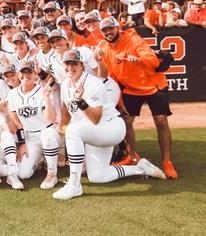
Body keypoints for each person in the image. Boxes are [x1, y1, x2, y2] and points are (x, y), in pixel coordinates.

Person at [52, 49, 166, 200]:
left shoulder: (93, 83)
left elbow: (96, 119)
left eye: (74, 64)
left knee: (73, 130)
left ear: (81, 65)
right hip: (94, 131)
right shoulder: (66, 83)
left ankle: (74, 185)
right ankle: (139, 169)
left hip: (110, 128)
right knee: (98, 176)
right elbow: (66, 106)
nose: (70, 67)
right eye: (67, 64)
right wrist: (63, 124)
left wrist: (81, 102)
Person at [98, 17, 178, 179]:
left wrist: (138, 60)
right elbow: (111, 77)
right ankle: (132, 156)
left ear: (117, 28)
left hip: (154, 85)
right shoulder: (105, 49)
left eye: (110, 29)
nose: (108, 32)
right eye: (104, 30)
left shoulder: (134, 39)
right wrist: (119, 101)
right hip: (131, 89)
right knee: (125, 120)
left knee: (161, 121)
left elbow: (153, 61)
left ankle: (167, 161)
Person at [6, 60, 61, 189]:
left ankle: (52, 174)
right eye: (23, 72)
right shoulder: (13, 94)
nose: (26, 75)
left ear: (35, 74)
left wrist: (47, 98)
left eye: (29, 72)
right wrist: (22, 143)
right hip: (30, 137)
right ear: (18, 75)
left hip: (48, 131)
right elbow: (16, 120)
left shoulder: (43, 90)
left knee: (48, 136)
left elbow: (51, 119)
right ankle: (40, 159)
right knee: (23, 174)